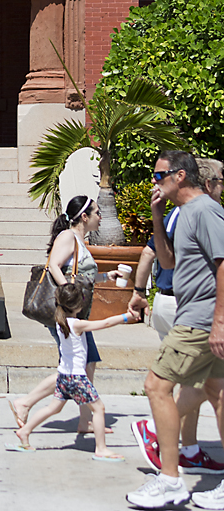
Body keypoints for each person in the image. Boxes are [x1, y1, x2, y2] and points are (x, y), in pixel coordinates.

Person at [126, 152, 224, 510]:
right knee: (217, 393)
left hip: (200, 319)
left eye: (159, 175)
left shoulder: (206, 211)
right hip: (195, 314)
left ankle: (169, 480)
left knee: (156, 385)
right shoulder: (182, 214)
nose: (155, 181)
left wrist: (219, 322)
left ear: (180, 175)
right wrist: (155, 215)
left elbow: (223, 262)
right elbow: (166, 262)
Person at [10, 195, 121, 434]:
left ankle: (84, 421)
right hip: (66, 312)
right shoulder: (68, 236)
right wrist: (69, 297)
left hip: (76, 313)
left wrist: (105, 277)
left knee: (86, 364)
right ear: (84, 217)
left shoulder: (79, 240)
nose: (100, 218)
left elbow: (80, 276)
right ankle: (25, 402)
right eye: (97, 213)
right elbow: (54, 267)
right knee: (74, 367)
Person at [7, 282, 139, 458]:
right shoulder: (77, 324)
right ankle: (101, 449)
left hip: (63, 376)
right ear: (78, 305)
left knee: (53, 409)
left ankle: (25, 432)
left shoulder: (60, 321)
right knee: (99, 409)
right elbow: (105, 323)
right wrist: (125, 317)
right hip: (77, 378)